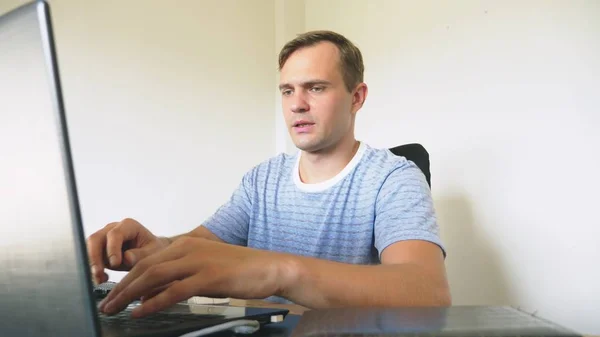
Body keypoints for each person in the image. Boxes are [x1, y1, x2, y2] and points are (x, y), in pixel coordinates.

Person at [90, 30, 451, 318]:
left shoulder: (393, 178)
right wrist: (157, 248)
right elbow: (201, 245)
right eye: (288, 90)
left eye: (316, 87)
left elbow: (428, 293)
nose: (297, 103)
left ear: (357, 97)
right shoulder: (263, 179)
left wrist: (280, 272)